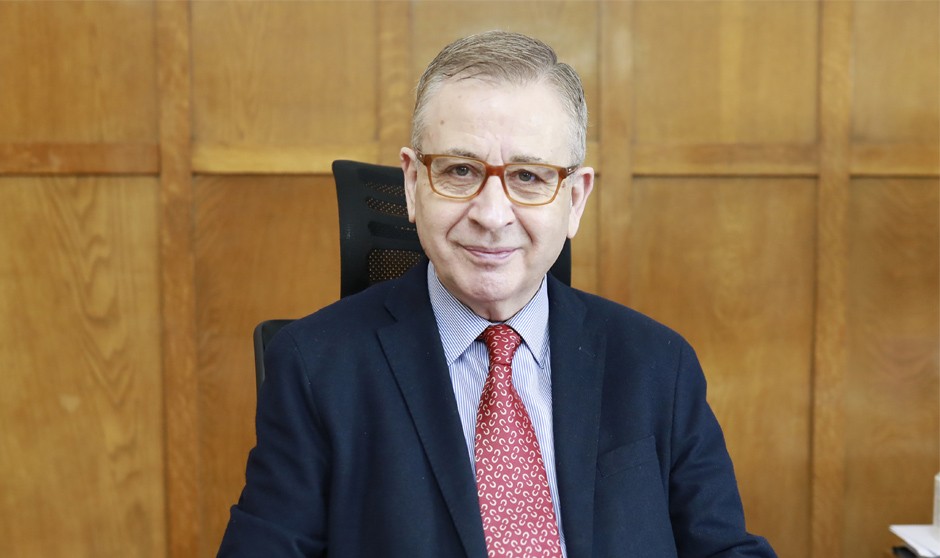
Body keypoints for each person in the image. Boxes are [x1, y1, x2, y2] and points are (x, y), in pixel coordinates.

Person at [218, 31, 776, 558]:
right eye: (460, 170)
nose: (491, 215)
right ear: (412, 183)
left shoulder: (658, 365)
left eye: (529, 177)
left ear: (574, 199)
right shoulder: (315, 368)